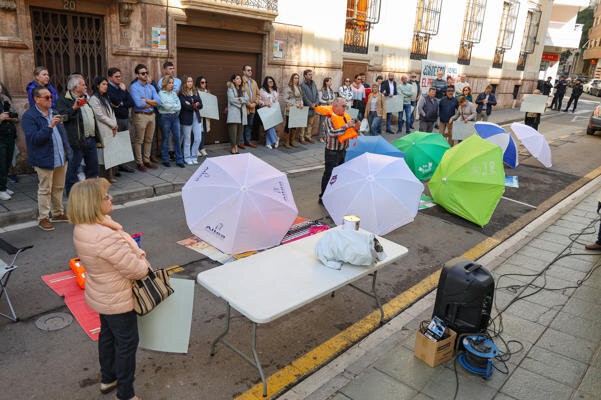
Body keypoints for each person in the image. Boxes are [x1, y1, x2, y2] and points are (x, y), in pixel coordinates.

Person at [68, 178, 149, 400]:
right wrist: (141, 255)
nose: (110, 198)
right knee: (126, 344)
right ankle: (125, 394)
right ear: (93, 203)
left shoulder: (83, 227)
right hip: (118, 297)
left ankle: (108, 378)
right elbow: (138, 271)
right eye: (105, 197)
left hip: (102, 293)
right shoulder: (104, 236)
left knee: (107, 336)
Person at [22, 86, 72, 231]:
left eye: (51, 97)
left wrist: (67, 151)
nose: (51, 100)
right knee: (45, 189)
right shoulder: (29, 116)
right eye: (47, 97)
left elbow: (62, 134)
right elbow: (34, 139)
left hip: (60, 157)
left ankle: (58, 213)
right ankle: (43, 217)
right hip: (44, 158)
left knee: (59, 187)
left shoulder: (54, 112)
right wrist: (50, 126)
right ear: (37, 99)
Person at [56, 74, 99, 195]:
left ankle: (92, 192)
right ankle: (71, 193)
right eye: (83, 84)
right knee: (73, 168)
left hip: (90, 138)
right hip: (76, 140)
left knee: (93, 167)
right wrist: (73, 108)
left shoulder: (85, 98)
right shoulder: (64, 100)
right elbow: (61, 118)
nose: (86, 86)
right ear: (75, 87)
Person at [319, 98, 355, 204]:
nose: (345, 108)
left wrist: (354, 127)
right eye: (343, 106)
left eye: (345, 106)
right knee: (329, 174)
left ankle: (334, 194)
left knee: (339, 174)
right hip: (331, 151)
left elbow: (347, 132)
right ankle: (323, 197)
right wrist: (346, 126)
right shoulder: (329, 119)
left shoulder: (344, 117)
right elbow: (332, 133)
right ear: (335, 106)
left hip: (342, 150)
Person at [130, 64, 161, 172]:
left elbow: (158, 102)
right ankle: (139, 162)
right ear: (137, 75)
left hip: (151, 115)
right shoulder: (134, 87)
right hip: (140, 116)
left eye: (147, 73)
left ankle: (147, 160)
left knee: (149, 140)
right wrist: (152, 102)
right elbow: (138, 103)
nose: (145, 75)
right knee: (139, 140)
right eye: (143, 73)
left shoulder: (151, 86)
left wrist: (146, 100)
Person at [89, 76, 118, 183]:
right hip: (102, 129)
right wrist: (113, 124)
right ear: (97, 85)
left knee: (110, 154)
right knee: (102, 155)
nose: (106, 86)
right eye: (103, 84)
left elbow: (112, 112)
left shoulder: (105, 98)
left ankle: (109, 177)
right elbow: (99, 115)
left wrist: (115, 124)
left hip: (110, 127)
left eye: (106, 84)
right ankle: (102, 178)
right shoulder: (94, 99)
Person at [107, 67, 136, 174]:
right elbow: (116, 100)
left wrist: (121, 103)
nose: (119, 78)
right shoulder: (109, 88)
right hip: (116, 119)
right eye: (116, 77)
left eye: (120, 76)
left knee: (124, 142)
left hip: (125, 117)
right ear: (110, 77)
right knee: (115, 142)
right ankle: (115, 168)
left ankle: (123, 165)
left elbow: (131, 102)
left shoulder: (122, 87)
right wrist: (122, 94)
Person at [157, 76, 183, 168]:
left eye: (172, 83)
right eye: (170, 83)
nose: (172, 85)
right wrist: (173, 106)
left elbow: (179, 106)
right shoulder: (161, 93)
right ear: (165, 83)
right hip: (165, 117)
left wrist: (171, 106)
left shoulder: (174, 94)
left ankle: (179, 160)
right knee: (165, 138)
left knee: (177, 138)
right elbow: (165, 106)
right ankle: (165, 159)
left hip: (175, 117)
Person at [0, 82, 19, 200]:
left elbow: (16, 115)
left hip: (10, 135)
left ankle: (3, 186)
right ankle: (1, 189)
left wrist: (12, 117)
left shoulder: (5, 98)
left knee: (7, 162)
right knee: (1, 163)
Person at [179, 75, 202, 165]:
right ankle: (187, 157)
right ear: (184, 83)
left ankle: (194, 156)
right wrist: (195, 104)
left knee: (198, 139)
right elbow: (185, 106)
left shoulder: (195, 91)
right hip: (186, 119)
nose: (190, 83)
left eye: (191, 81)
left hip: (196, 118)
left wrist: (191, 105)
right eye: (188, 81)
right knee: (187, 139)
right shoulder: (182, 93)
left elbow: (201, 105)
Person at [226, 73, 248, 154]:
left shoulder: (243, 88)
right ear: (234, 80)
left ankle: (236, 145)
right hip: (234, 113)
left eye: (240, 79)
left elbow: (247, 99)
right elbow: (232, 100)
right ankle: (233, 146)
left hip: (242, 113)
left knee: (240, 131)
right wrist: (241, 101)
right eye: (237, 78)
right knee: (233, 131)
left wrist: (240, 99)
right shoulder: (230, 89)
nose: (240, 80)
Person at [240, 65, 259, 149]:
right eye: (248, 70)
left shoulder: (254, 82)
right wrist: (249, 104)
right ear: (244, 72)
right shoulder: (241, 81)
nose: (250, 71)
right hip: (244, 107)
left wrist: (255, 103)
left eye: (251, 70)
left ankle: (247, 141)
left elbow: (258, 94)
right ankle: (240, 142)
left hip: (253, 107)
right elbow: (241, 94)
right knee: (242, 125)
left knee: (250, 125)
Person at [258, 76, 280, 149]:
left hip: (273, 110)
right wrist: (264, 103)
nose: (271, 83)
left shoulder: (275, 90)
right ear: (266, 83)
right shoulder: (262, 90)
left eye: (272, 81)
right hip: (266, 110)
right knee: (269, 126)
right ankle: (275, 139)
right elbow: (258, 100)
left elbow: (276, 100)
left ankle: (268, 143)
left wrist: (275, 104)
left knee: (270, 126)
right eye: (270, 82)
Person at [283, 73, 303, 148]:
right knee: (288, 125)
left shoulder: (299, 87)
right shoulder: (288, 88)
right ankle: (286, 142)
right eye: (295, 78)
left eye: (297, 78)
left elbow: (301, 98)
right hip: (290, 108)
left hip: (297, 108)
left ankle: (292, 141)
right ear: (292, 79)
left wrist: (301, 104)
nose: (296, 79)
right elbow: (285, 99)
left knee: (294, 124)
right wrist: (294, 104)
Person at [300, 69, 318, 144]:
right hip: (306, 107)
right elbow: (304, 97)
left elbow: (317, 94)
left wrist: (316, 103)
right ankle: (301, 137)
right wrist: (311, 105)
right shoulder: (302, 85)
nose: (311, 76)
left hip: (314, 107)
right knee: (303, 123)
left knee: (310, 123)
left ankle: (308, 136)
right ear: (305, 76)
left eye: (311, 74)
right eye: (309, 74)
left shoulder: (314, 83)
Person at [194, 76, 210, 157]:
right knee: (197, 131)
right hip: (197, 114)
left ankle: (202, 148)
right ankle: (195, 149)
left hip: (205, 115)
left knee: (203, 131)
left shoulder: (207, 92)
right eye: (202, 82)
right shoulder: (195, 92)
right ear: (198, 83)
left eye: (205, 82)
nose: (204, 84)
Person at [318, 77, 336, 142]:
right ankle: (320, 136)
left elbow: (334, 97)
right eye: (330, 81)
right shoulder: (321, 90)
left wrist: (331, 101)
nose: (331, 83)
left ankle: (326, 136)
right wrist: (326, 102)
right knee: (322, 122)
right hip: (324, 108)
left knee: (328, 123)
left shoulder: (331, 90)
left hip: (330, 108)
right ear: (326, 82)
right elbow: (320, 99)